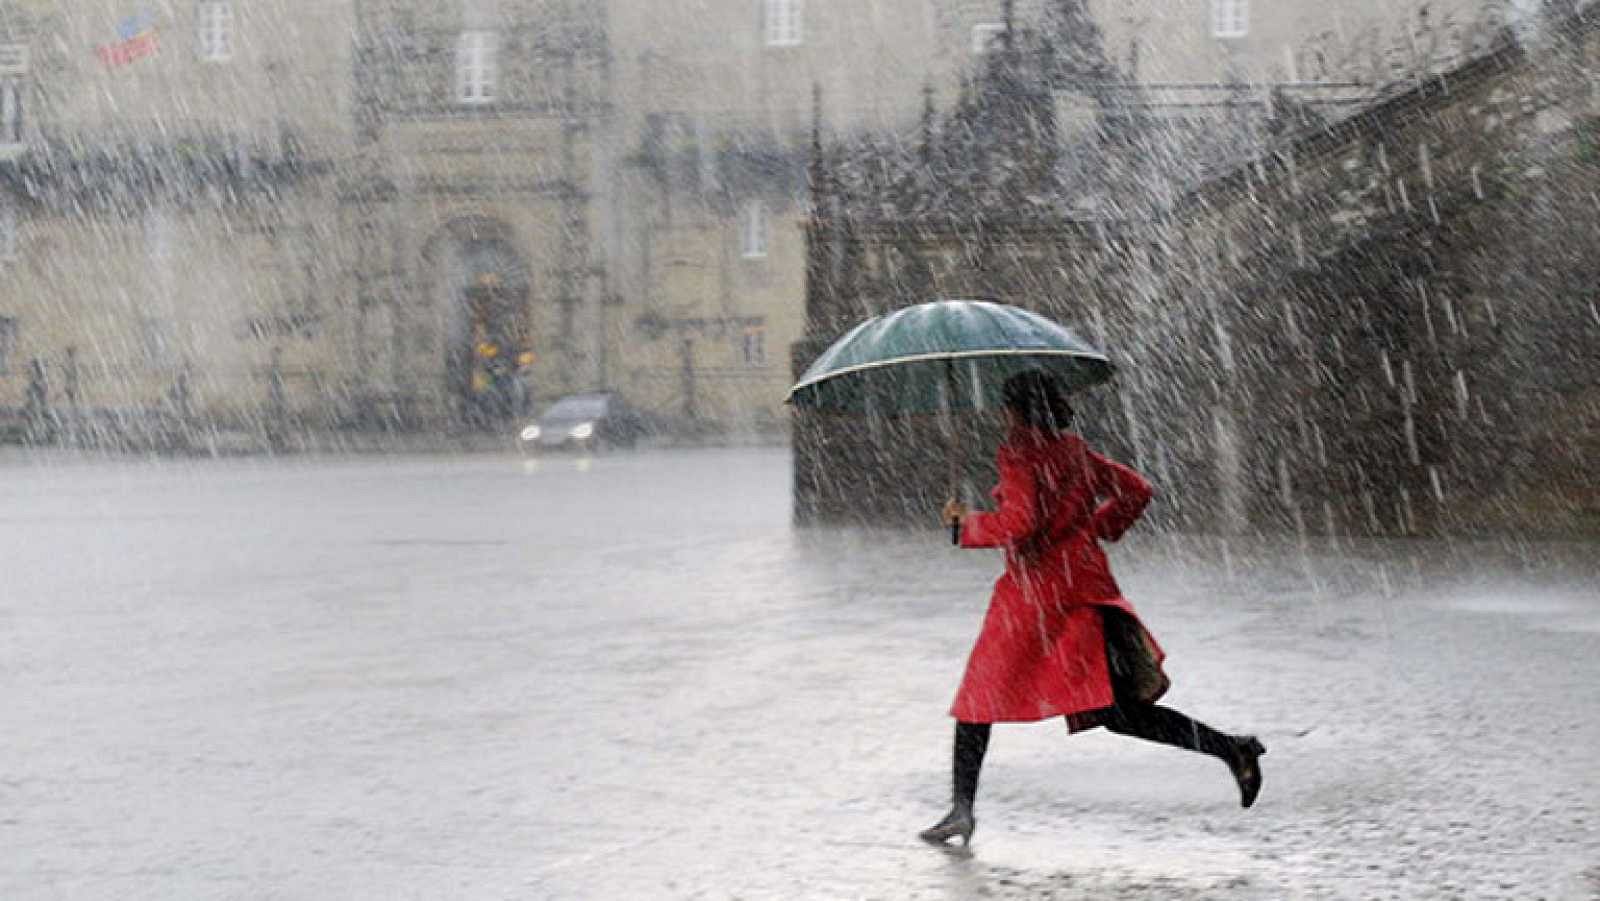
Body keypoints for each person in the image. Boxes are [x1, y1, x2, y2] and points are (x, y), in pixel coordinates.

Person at [921, 369, 1265, 847]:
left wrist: (965, 527)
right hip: (1085, 588)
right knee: (1118, 713)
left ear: (1016, 410)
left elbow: (1021, 523)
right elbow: (1137, 490)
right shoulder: (1074, 451)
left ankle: (961, 809)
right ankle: (1232, 749)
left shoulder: (1019, 452)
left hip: (1037, 599)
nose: (1002, 417)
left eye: (1005, 407)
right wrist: (1098, 527)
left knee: (978, 699)